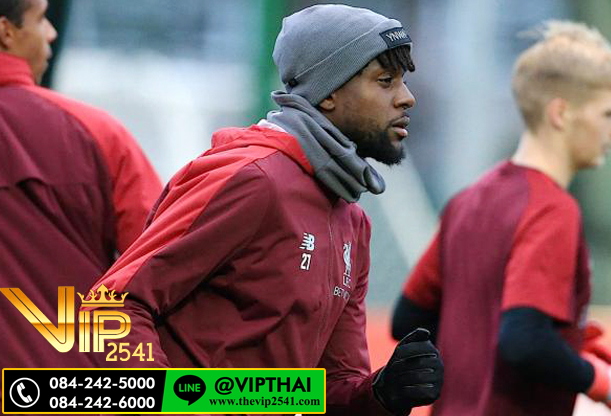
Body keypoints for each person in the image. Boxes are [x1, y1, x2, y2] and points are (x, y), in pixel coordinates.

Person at [83, 4, 443, 416]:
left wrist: (379, 394)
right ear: (328, 92)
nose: (407, 97)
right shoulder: (252, 179)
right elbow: (110, 307)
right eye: (385, 81)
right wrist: (170, 405)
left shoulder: (352, 220)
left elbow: (322, 391)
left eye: (403, 81)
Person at [392, 20, 611, 416]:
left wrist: (561, 346)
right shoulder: (552, 209)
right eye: (608, 113)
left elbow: (407, 320)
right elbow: (524, 341)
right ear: (561, 113)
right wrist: (603, 382)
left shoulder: (469, 200)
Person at [0, 0, 162, 410]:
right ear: (6, 31)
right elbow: (166, 263)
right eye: (40, 19)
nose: (51, 33)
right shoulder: (94, 133)